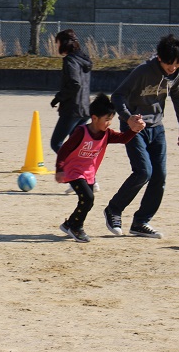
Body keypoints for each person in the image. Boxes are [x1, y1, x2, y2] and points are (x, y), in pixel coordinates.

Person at [103, 34, 179, 239]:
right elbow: (117, 96)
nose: (173, 68)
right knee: (143, 172)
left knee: (160, 176)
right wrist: (128, 118)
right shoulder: (143, 71)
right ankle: (113, 210)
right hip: (134, 127)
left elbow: (178, 95)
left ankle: (141, 222)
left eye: (177, 64)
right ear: (160, 58)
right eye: (170, 64)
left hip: (157, 128)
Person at [55, 94, 145, 243]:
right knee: (88, 199)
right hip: (73, 171)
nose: (109, 123)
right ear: (95, 118)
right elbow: (64, 149)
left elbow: (123, 138)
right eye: (106, 119)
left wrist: (134, 129)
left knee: (86, 201)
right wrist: (60, 168)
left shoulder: (107, 134)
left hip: (89, 172)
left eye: (111, 119)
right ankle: (76, 227)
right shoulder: (81, 132)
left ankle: (69, 223)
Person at [49, 29, 96, 193]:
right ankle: (91, 180)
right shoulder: (83, 60)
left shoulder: (70, 61)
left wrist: (59, 97)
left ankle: (74, 176)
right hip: (84, 108)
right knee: (77, 146)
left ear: (63, 43)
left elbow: (75, 84)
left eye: (58, 43)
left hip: (72, 109)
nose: (57, 46)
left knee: (57, 143)